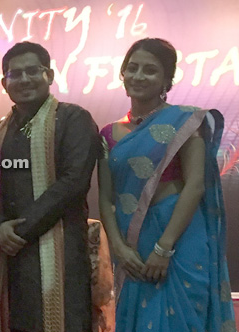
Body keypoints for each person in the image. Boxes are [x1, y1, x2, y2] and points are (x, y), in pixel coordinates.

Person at [98, 37, 236, 332]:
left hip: (179, 238)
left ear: (167, 80)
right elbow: (107, 198)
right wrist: (119, 249)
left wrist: (164, 249)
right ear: (122, 73)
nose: (138, 76)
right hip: (133, 246)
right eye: (132, 68)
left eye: (150, 70)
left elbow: (195, 186)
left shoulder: (185, 121)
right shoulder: (108, 134)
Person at [0, 42, 102, 332]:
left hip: (59, 248)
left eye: (32, 71)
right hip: (9, 254)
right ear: (4, 83)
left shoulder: (73, 119)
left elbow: (73, 182)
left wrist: (18, 231)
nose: (24, 79)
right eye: (15, 74)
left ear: (49, 75)